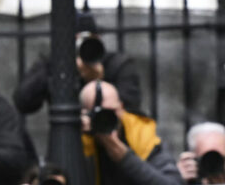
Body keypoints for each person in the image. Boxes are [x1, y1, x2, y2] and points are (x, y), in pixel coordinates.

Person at [80, 79, 183, 185]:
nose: (109, 119)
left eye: (112, 111)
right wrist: (83, 139)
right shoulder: (80, 140)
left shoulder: (142, 135)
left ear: (121, 106)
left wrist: (124, 157)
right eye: (100, 114)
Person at [14, 10, 144, 116]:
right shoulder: (53, 64)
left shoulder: (117, 65)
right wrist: (57, 66)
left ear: (98, 39)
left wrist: (100, 83)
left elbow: (130, 111)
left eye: (89, 41)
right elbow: (23, 102)